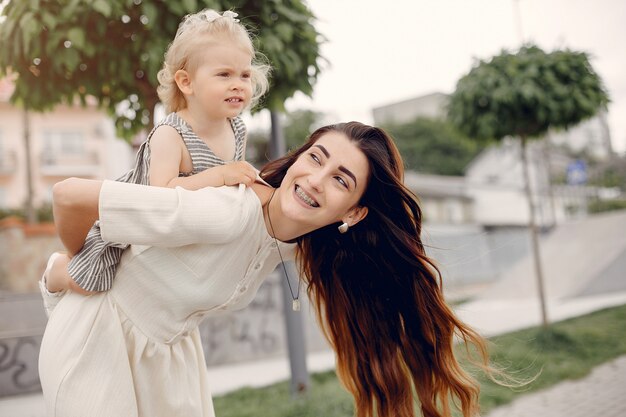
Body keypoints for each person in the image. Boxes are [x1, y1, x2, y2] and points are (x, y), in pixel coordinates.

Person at [40, 122, 491, 417]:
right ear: (297, 158)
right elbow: (69, 196)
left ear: (353, 214)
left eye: (340, 179)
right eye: (315, 157)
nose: (316, 179)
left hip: (167, 359)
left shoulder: (293, 243)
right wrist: (83, 267)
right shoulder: (228, 209)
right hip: (97, 340)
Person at [41, 9, 268, 306]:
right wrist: (220, 176)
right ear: (186, 83)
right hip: (130, 224)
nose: (238, 84)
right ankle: (59, 269)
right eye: (224, 74)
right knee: (94, 282)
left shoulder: (237, 129)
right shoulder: (171, 133)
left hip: (181, 229)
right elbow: (160, 194)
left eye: (245, 75)